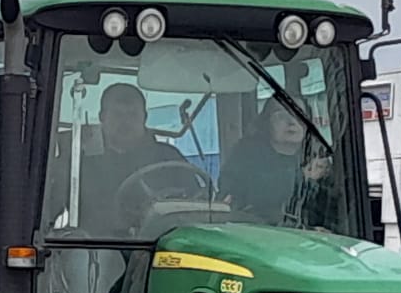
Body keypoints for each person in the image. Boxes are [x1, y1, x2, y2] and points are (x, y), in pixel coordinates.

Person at [72, 83, 195, 238]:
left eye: (132, 114)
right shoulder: (79, 162)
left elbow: (195, 205)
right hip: (93, 251)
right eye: (118, 114)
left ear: (145, 117)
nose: (125, 122)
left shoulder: (169, 158)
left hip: (159, 249)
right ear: (102, 117)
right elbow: (49, 207)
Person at [220, 101, 333, 228]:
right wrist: (301, 176)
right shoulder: (245, 156)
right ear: (266, 122)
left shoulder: (323, 157)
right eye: (281, 115)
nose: (292, 121)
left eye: (299, 115)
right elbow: (246, 195)